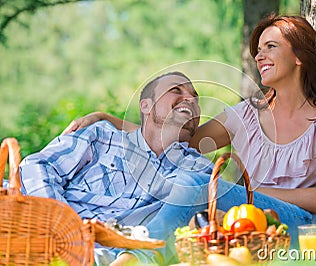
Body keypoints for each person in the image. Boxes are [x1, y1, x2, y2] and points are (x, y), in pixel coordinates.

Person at [64, 13, 316, 246]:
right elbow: (177, 143)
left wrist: (244, 193)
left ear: (300, 57)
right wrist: (109, 119)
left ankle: (135, 251)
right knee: (188, 185)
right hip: (248, 221)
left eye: (271, 47)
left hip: (308, 229)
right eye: (258, 50)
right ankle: (126, 247)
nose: (259, 57)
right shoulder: (246, 114)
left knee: (195, 183)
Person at [20, 72, 216, 265]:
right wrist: (64, 229)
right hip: (45, 237)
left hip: (112, 257)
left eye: (195, 97)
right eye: (176, 90)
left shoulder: (198, 170)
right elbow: (37, 167)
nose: (190, 99)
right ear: (146, 105)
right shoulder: (102, 136)